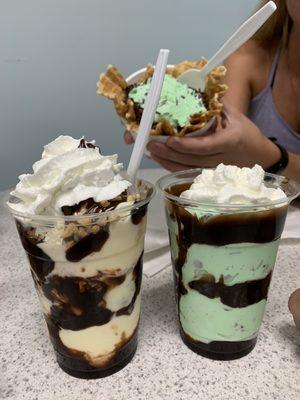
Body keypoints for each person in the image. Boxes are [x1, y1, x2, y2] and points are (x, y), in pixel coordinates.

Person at [125, 0, 300, 331]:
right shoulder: (249, 58)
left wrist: (268, 155)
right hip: (236, 231)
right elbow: (221, 152)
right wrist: (191, 134)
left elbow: (250, 153)